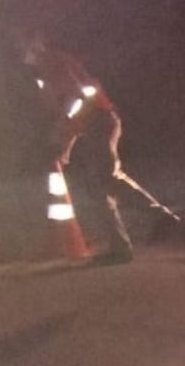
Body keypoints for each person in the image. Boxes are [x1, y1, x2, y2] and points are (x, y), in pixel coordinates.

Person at [19, 32, 134, 263]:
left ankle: (124, 245)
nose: (22, 53)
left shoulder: (54, 65)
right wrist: (65, 149)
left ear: (37, 46)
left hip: (100, 122)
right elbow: (72, 117)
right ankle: (123, 238)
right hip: (95, 125)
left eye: (24, 47)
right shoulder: (46, 72)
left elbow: (77, 102)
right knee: (100, 183)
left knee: (101, 184)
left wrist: (62, 131)